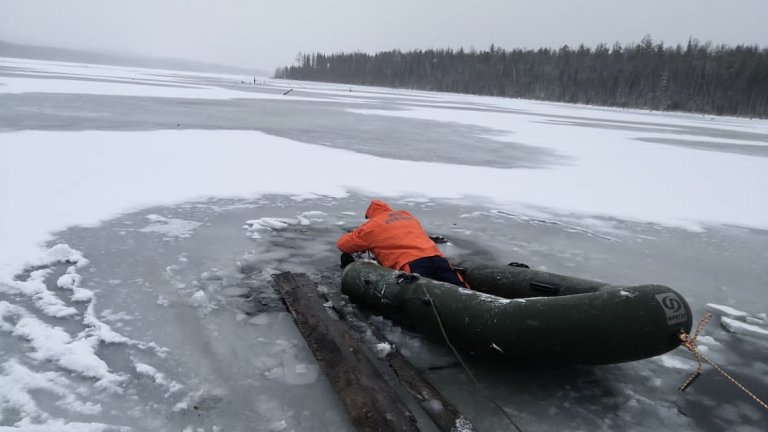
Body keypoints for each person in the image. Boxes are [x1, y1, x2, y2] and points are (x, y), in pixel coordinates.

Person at [337, 199, 468, 288]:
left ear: (370, 215)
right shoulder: (406, 215)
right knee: (461, 289)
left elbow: (343, 245)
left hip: (411, 264)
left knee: (425, 296)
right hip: (437, 258)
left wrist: (356, 232)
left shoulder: (372, 226)